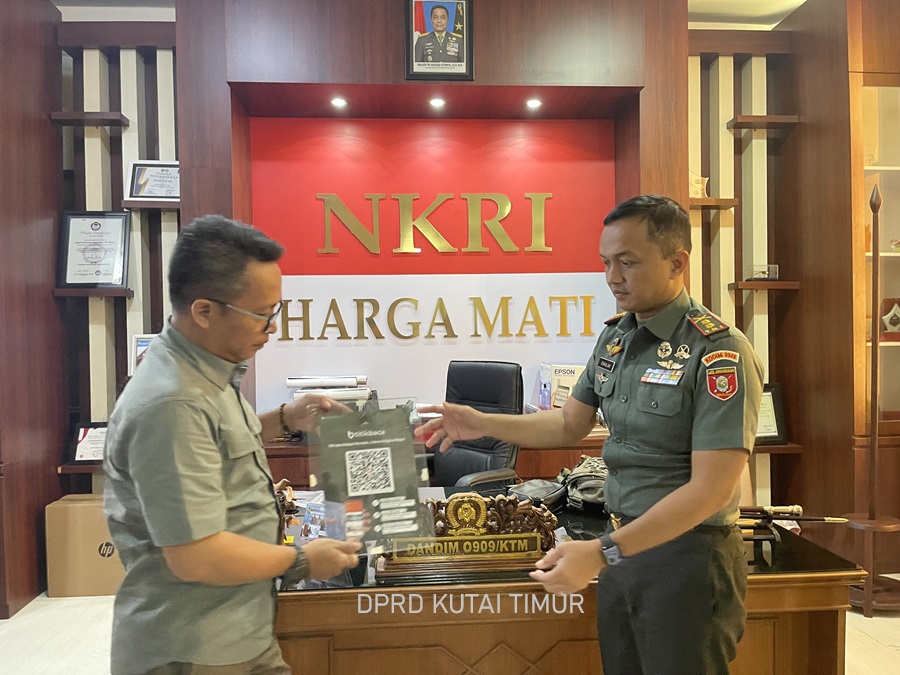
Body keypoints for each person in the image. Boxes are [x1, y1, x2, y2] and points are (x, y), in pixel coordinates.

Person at [417, 195, 764, 675]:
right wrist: (484, 422)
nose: (612, 277)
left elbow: (711, 490)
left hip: (689, 559)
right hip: (622, 547)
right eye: (606, 262)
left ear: (677, 262)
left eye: (628, 262)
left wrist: (601, 552)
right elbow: (568, 423)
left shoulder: (718, 351)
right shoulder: (616, 337)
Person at [103, 215, 362, 675]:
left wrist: (285, 419)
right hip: (195, 646)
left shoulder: (205, 370)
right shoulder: (174, 401)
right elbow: (195, 555)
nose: (272, 328)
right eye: (263, 314)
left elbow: (214, 446)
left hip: (238, 630)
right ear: (204, 311)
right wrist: (302, 559)